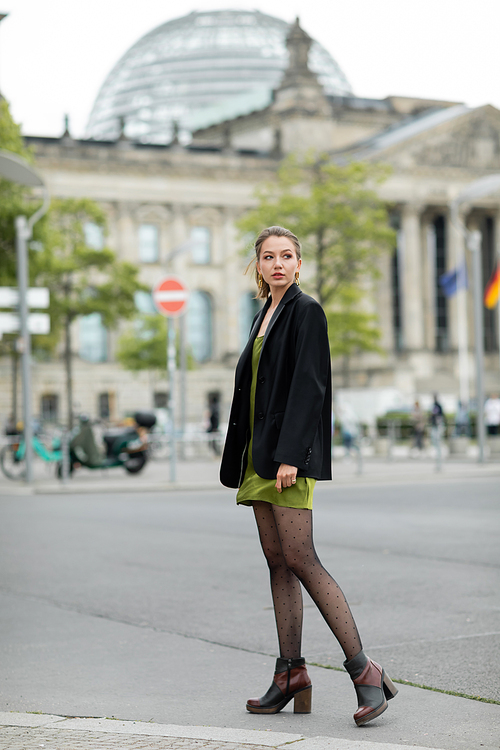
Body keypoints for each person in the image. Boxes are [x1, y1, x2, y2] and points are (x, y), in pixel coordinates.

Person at [220, 226, 397, 727]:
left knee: (301, 557)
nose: (278, 264)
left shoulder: (306, 311)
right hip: (258, 457)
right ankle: (290, 673)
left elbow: (310, 384)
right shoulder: (263, 315)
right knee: (277, 562)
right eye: (269, 256)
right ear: (258, 265)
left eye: (287, 256)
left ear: (299, 264)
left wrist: (292, 455)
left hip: (284, 458)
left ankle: (365, 670)